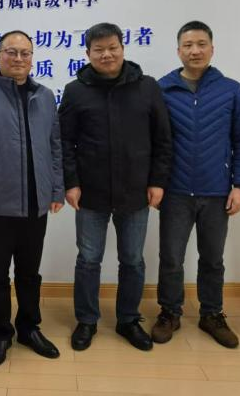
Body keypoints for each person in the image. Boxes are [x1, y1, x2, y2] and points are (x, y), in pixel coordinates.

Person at [59, 22, 173, 352]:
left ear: (123, 48)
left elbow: (163, 139)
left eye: (112, 48)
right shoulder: (75, 90)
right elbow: (64, 142)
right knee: (88, 259)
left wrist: (157, 181)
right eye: (99, 50)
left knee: (133, 260)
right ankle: (87, 320)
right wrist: (71, 183)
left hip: (136, 190)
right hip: (90, 192)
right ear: (88, 53)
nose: (106, 54)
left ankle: (128, 319)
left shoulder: (147, 87)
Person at [0, 30, 65, 367]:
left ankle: (29, 328)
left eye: (25, 53)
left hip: (36, 203)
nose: (18, 58)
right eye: (11, 52)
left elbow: (55, 146)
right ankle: (2, 332)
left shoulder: (45, 96)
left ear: (32, 58)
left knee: (29, 273)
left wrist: (56, 189)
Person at [153, 21, 240, 349]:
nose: (194, 51)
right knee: (171, 258)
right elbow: (152, 141)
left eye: (201, 44)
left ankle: (212, 313)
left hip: (217, 191)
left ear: (212, 48)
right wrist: (154, 183)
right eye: (188, 45)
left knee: (212, 258)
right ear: (178, 50)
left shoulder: (231, 90)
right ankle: (170, 312)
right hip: (175, 191)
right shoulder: (162, 89)